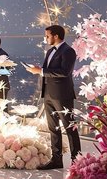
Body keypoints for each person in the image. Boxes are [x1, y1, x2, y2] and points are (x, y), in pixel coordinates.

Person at [25, 24, 80, 170]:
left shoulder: (69, 51)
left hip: (62, 95)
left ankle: (77, 161)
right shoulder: (50, 51)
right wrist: (39, 70)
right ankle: (56, 160)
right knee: (53, 128)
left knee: (69, 128)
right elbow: (48, 70)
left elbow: (64, 72)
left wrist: (41, 71)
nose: (46, 38)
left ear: (56, 36)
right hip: (48, 94)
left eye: (47, 35)